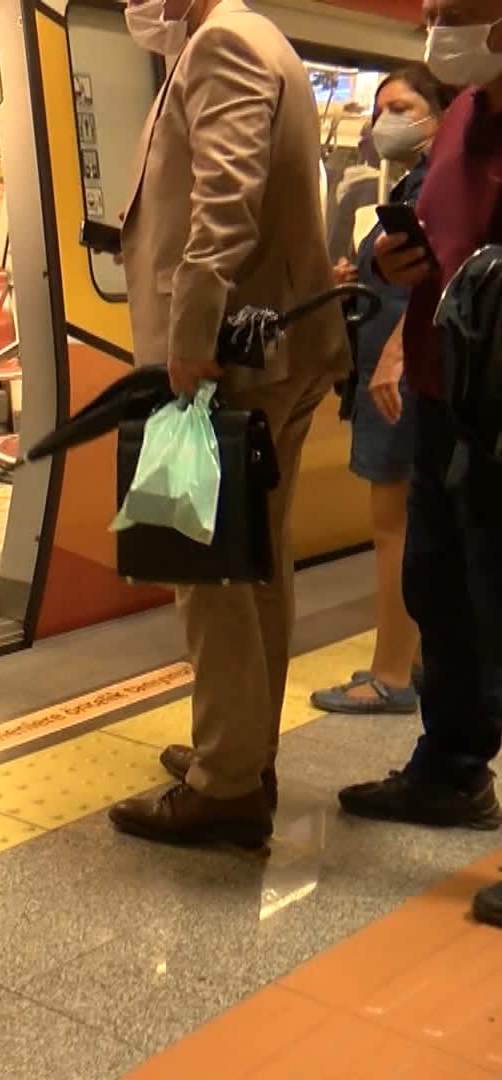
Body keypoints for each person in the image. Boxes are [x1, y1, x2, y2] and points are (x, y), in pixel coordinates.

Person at [104, 0, 350, 847]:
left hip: (229, 358)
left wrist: (191, 335)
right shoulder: (259, 39)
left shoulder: (225, 45)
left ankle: (226, 784)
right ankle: (243, 749)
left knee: (203, 565)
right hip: (270, 348)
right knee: (255, 561)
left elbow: (225, 199)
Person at [338, 0, 502, 929]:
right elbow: (431, 243)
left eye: (457, 8)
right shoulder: (463, 119)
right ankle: (451, 770)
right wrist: (393, 267)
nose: (438, 23)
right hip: (449, 396)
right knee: (442, 587)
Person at [312, 66, 456, 716]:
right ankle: (417, 657)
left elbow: (433, 284)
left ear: (438, 115)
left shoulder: (433, 189)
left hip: (395, 382)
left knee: (391, 524)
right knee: (407, 520)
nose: (383, 119)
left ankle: (390, 672)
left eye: (401, 106)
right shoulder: (418, 185)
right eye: (379, 108)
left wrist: (394, 349)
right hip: (394, 377)